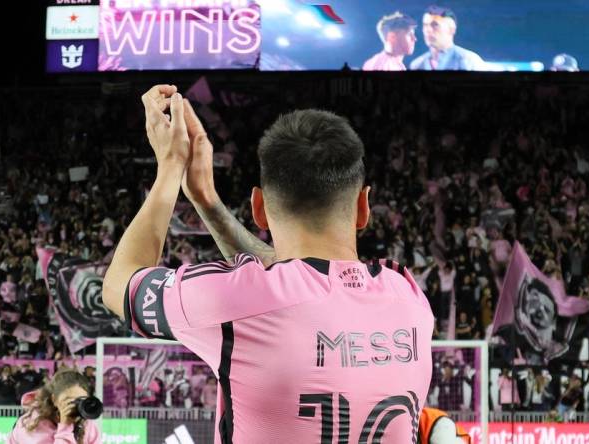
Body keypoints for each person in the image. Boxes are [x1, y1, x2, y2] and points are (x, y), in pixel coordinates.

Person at [102, 85, 434, 442]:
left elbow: (119, 284)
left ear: (258, 209)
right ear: (364, 207)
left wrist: (169, 169)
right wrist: (208, 203)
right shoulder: (408, 296)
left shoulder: (235, 300)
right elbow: (300, 281)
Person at [8, 369, 101, 444]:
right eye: (68, 400)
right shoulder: (32, 423)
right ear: (54, 400)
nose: (75, 405)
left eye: (81, 400)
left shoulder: (87, 425)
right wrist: (66, 426)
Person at [410, 6, 484, 71]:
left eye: (435, 25)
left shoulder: (469, 61)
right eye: (425, 25)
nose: (428, 30)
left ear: (451, 29)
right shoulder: (417, 65)